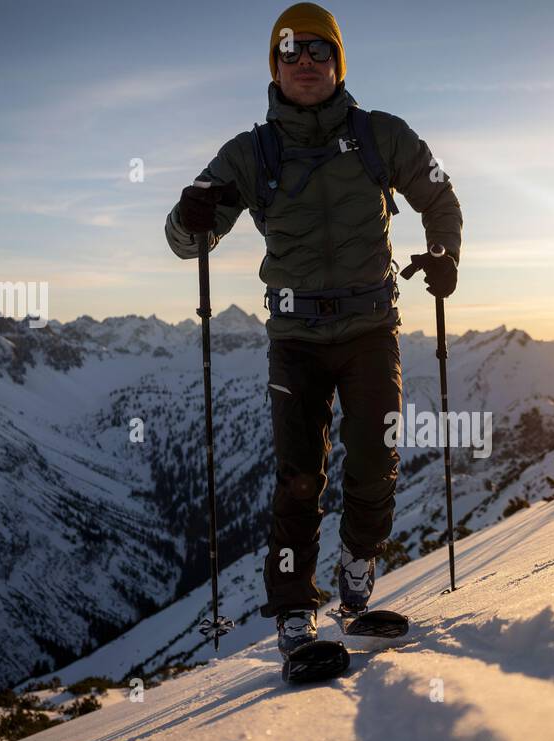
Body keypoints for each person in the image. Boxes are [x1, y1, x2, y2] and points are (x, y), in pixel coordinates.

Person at [165, 2, 462, 659]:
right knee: (299, 476)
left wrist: (445, 253)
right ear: (274, 63)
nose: (305, 62)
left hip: (370, 327)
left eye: (318, 50)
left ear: (338, 62)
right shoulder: (250, 153)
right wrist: (191, 217)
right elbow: (189, 240)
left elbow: (437, 192)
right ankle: (295, 612)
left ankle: (355, 581)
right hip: (295, 337)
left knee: (375, 461)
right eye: (291, 51)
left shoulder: (382, 136)